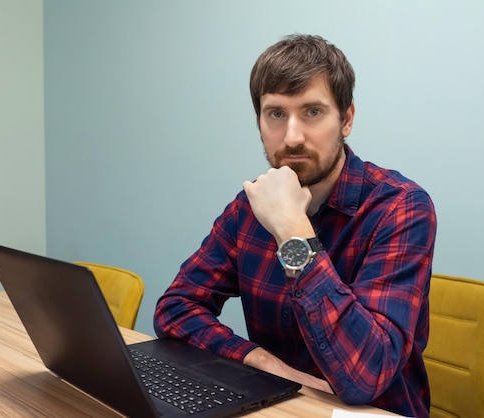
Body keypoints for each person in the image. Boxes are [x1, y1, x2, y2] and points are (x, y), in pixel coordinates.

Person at [153, 34, 436, 418]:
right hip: (279, 406)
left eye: (312, 112)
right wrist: (267, 365)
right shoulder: (248, 208)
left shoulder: (399, 206)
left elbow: (365, 377)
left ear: (347, 119)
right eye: (276, 114)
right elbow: (175, 308)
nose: (292, 137)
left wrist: (291, 228)